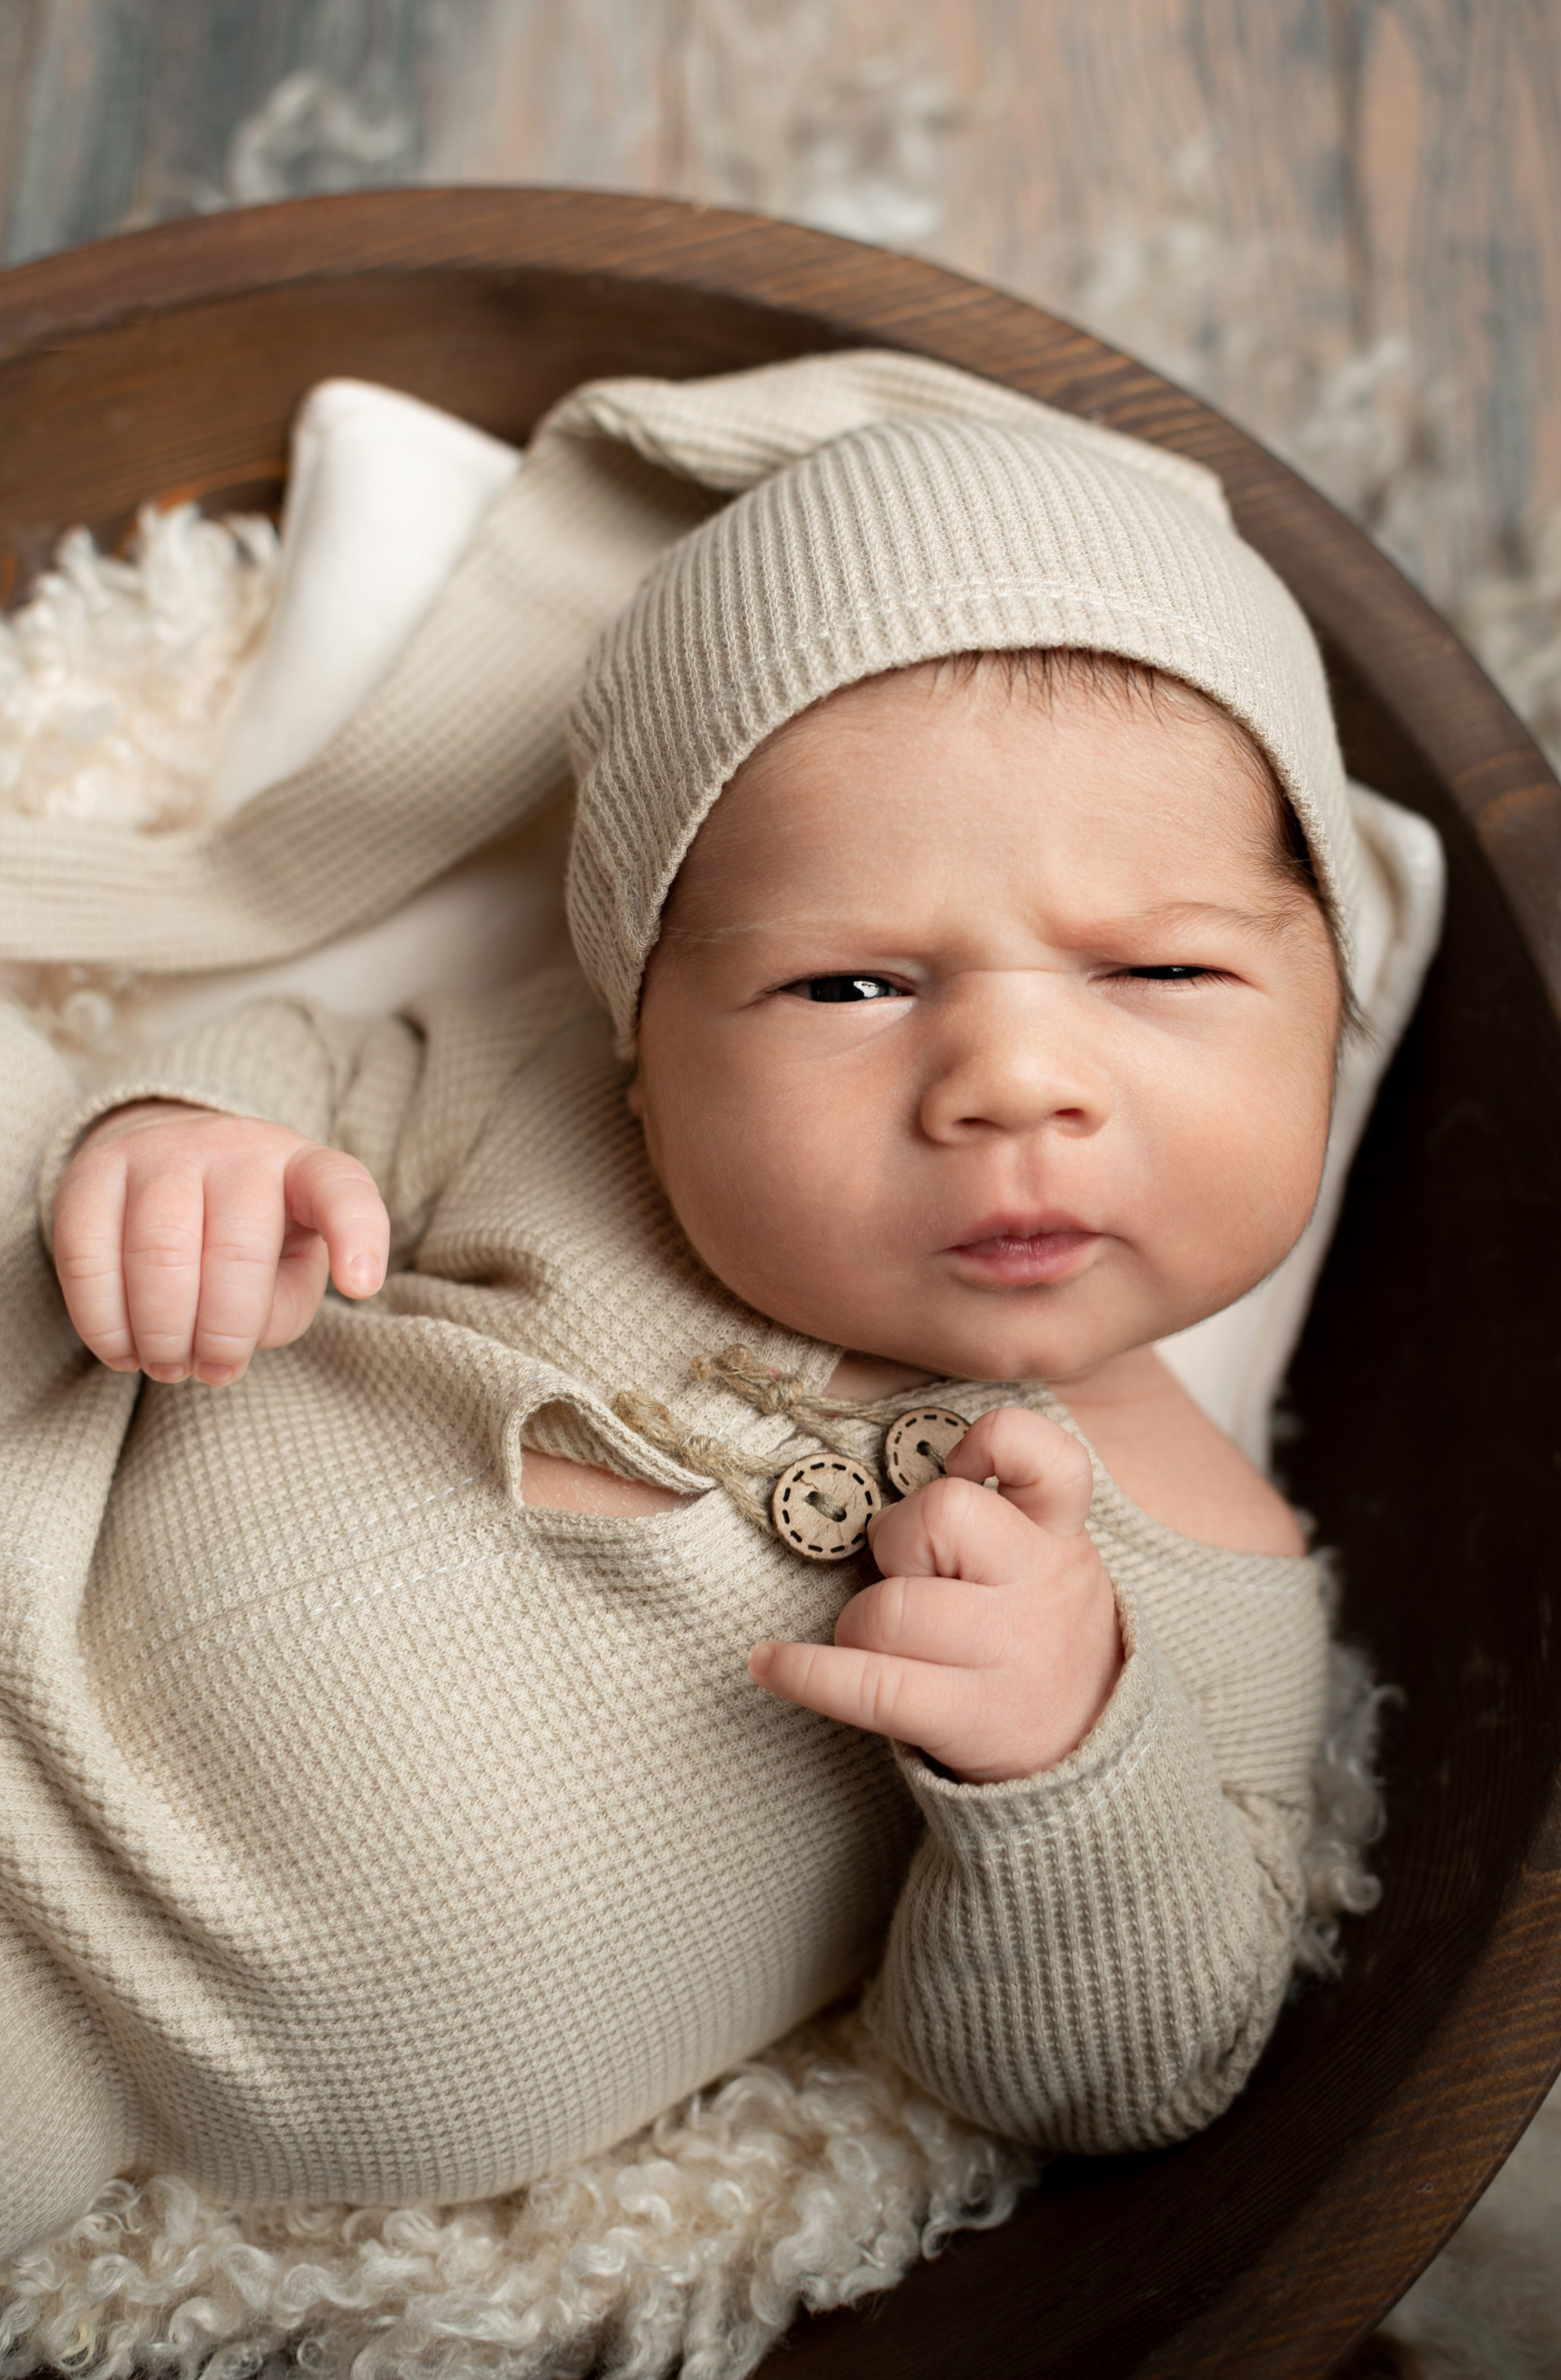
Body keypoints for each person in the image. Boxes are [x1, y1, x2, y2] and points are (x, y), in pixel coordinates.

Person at [0, 376, 1435, 2264]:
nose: (1013, 1079)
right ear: (647, 1034)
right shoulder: (551, 1109)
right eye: (849, 982)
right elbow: (305, 1063)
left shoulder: (1200, 1566)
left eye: (1159, 968)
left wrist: (1065, 1758)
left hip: (127, 2066)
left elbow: (1123, 2070)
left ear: (1325, 1008)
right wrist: (185, 1147)